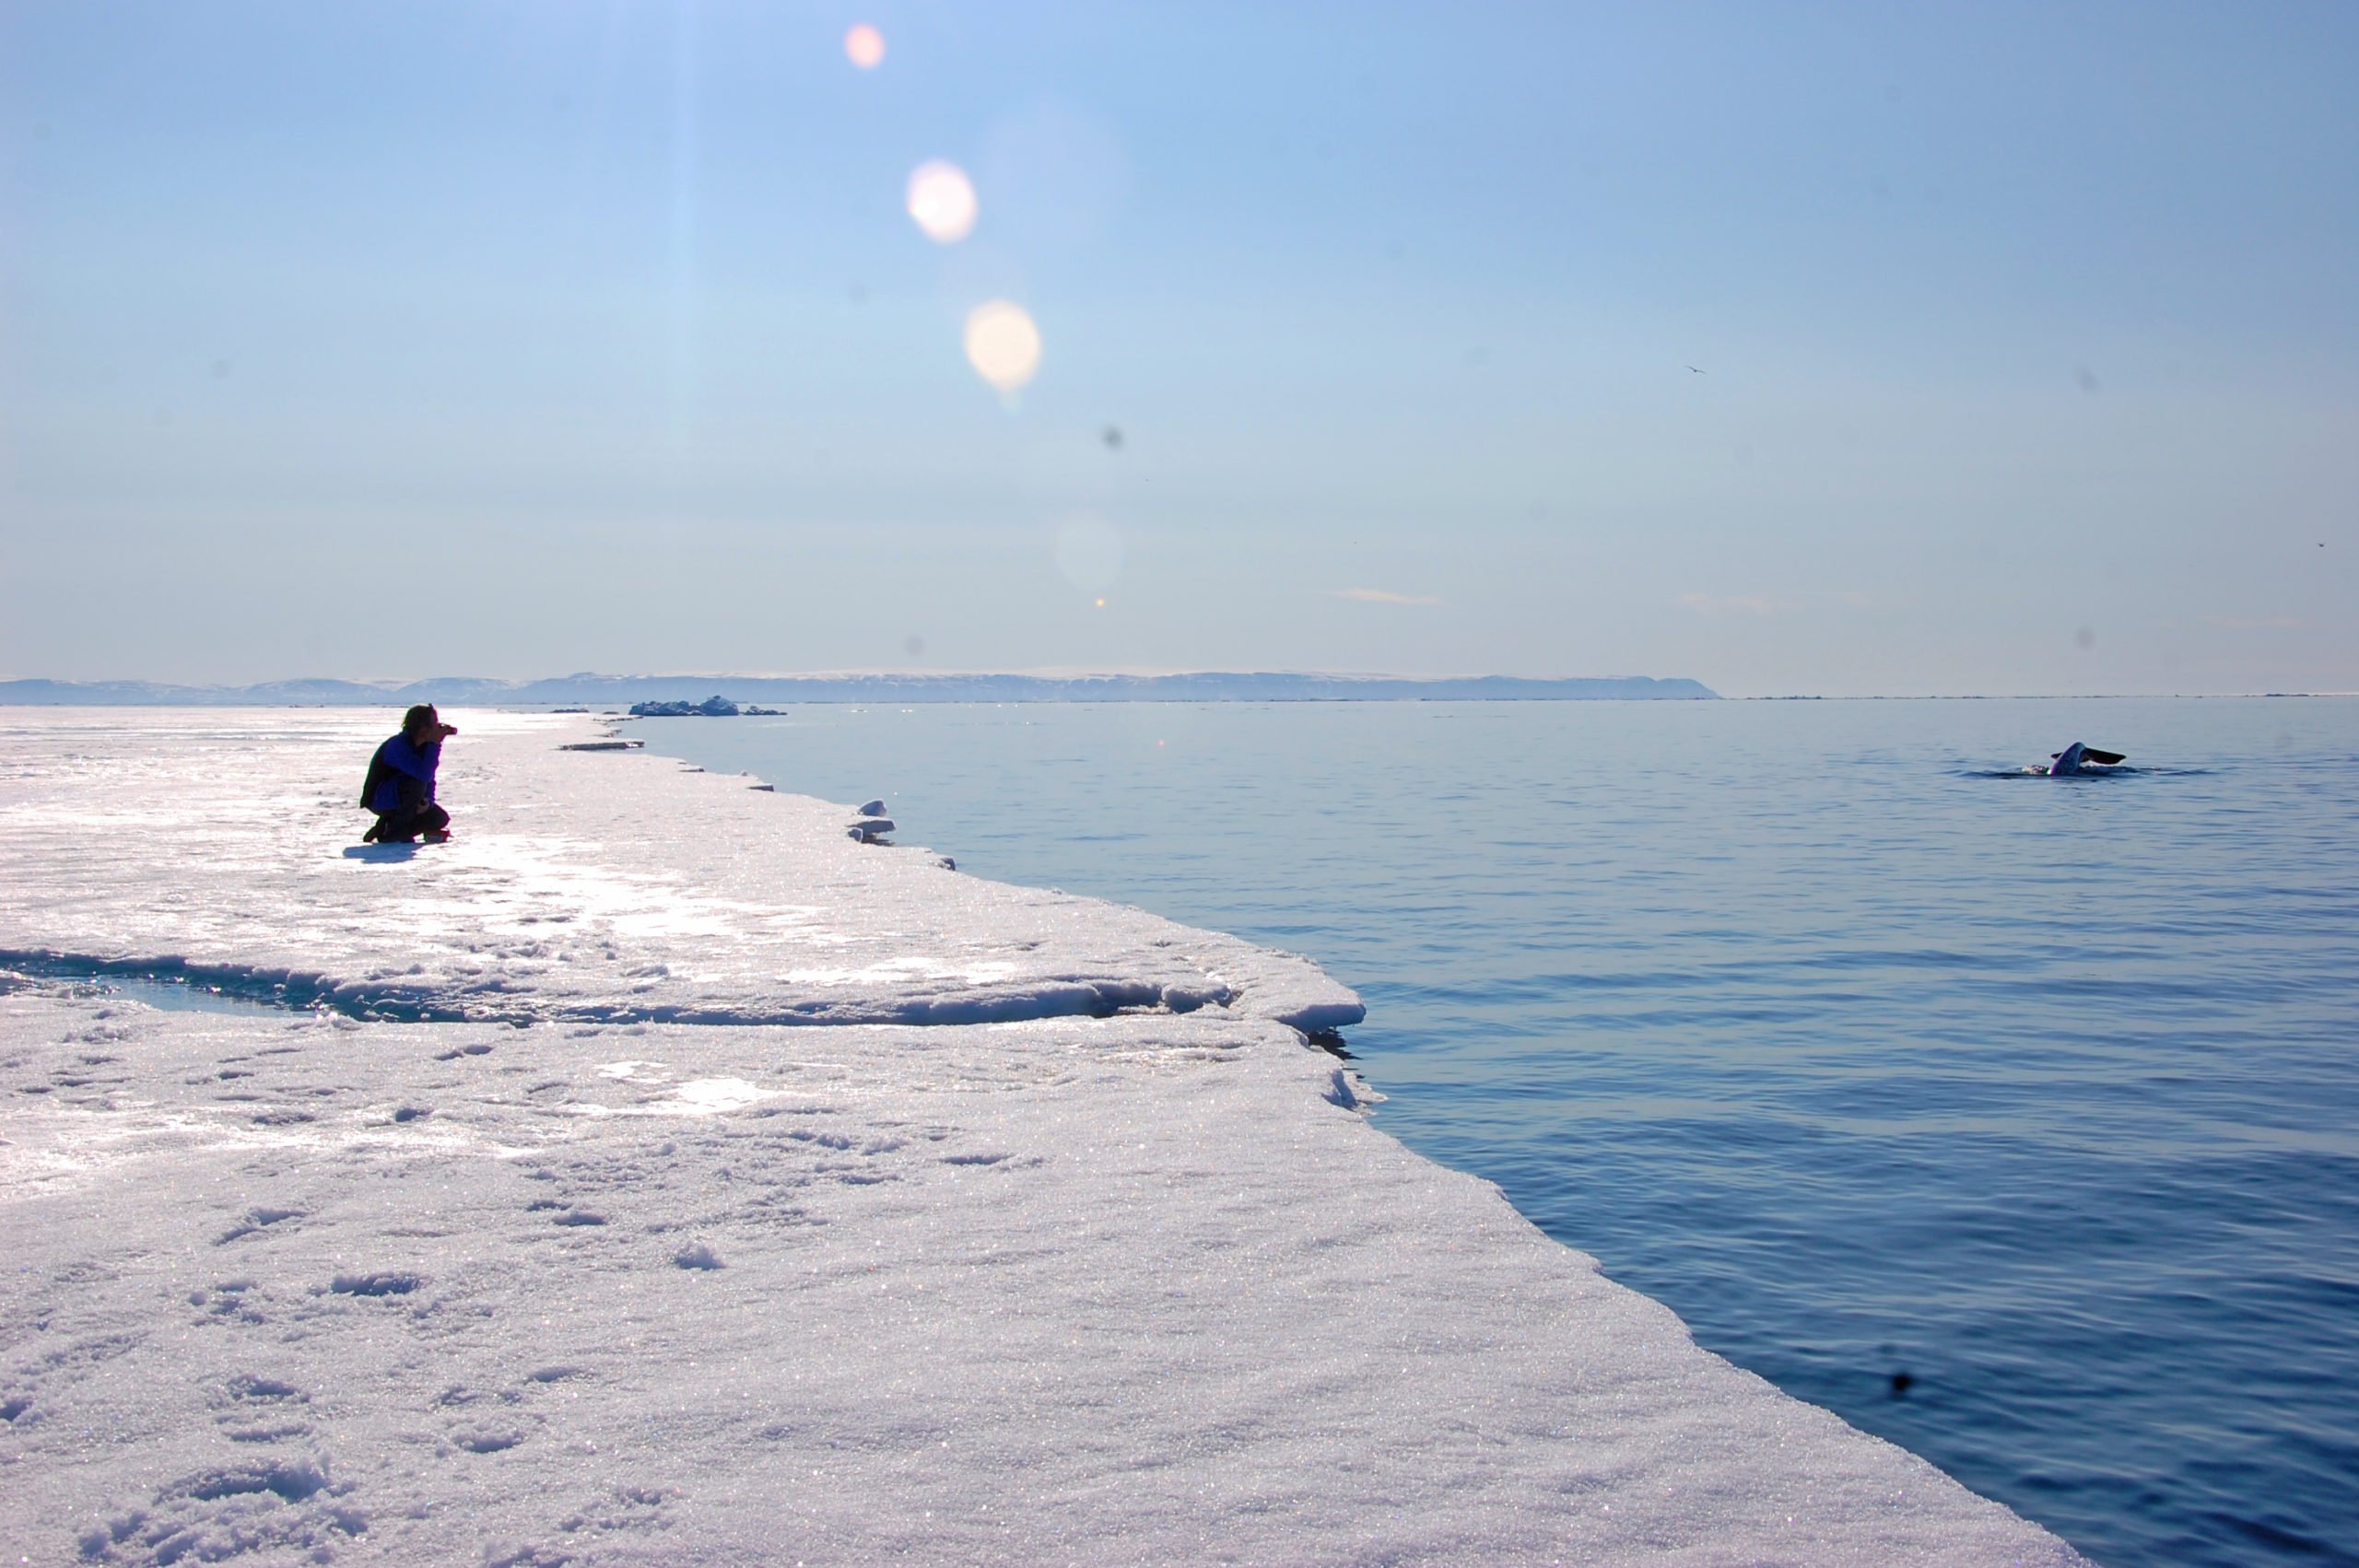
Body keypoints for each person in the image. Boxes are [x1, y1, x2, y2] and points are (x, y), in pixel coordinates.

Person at [360, 704, 458, 843]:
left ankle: (385, 828)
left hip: (402, 797)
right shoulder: (397, 745)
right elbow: (423, 775)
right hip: (381, 800)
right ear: (423, 729)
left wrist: (428, 803)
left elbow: (430, 778)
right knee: (415, 784)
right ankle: (394, 833)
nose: (438, 728)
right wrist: (435, 744)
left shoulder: (424, 746)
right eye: (435, 724)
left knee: (439, 818)